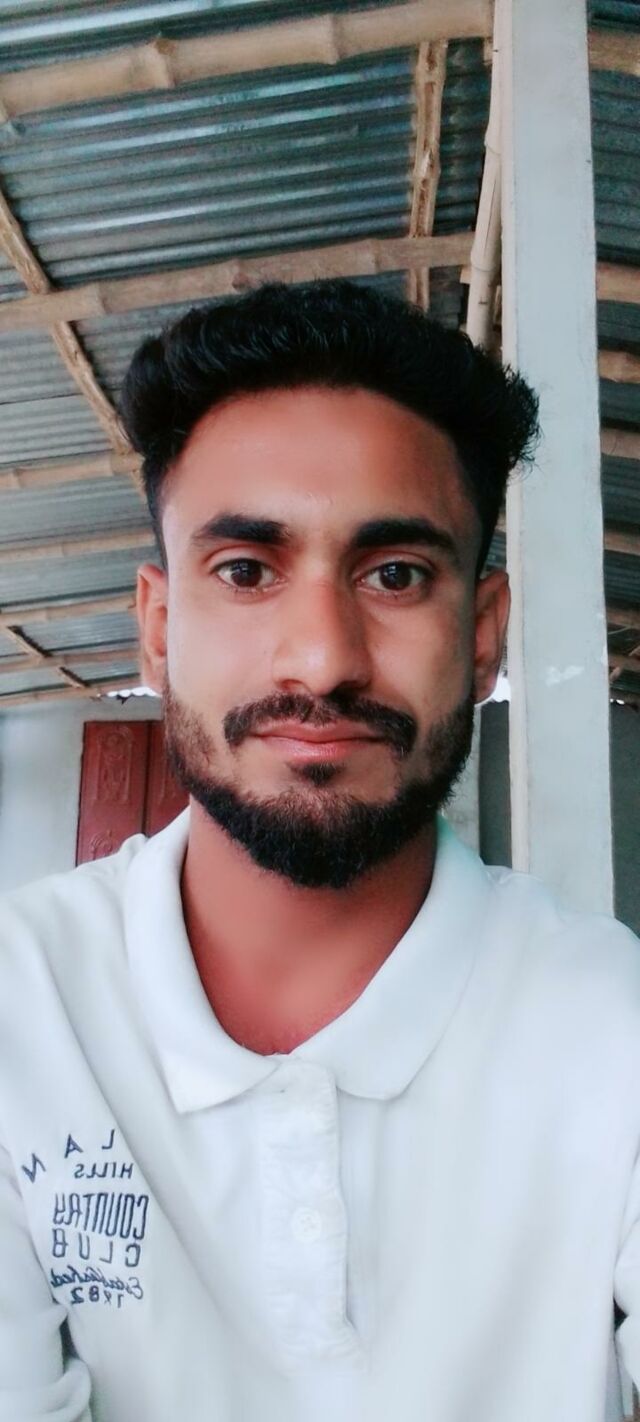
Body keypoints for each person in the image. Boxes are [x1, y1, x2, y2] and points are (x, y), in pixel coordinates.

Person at [0, 280, 637, 1422]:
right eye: (246, 571)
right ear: (158, 627)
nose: (323, 659)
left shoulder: (614, 1027)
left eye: (396, 575)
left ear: (481, 632)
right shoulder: (21, 1005)